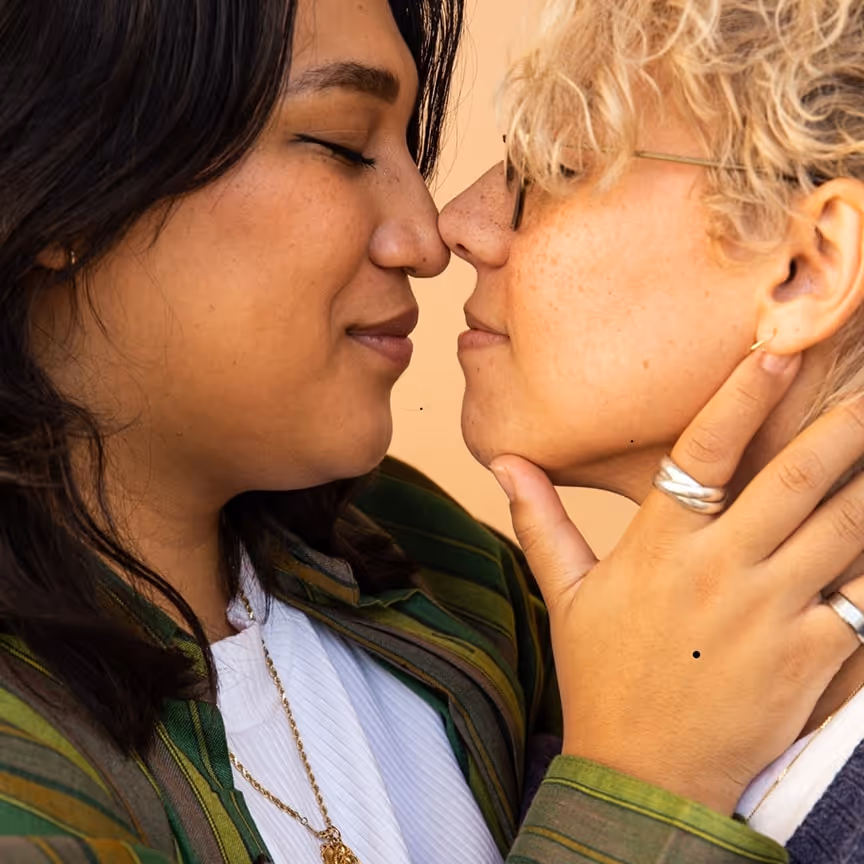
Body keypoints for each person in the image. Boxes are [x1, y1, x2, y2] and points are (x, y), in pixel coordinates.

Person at [1, 1, 863, 863]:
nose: (436, 232)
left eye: (559, 162)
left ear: (805, 267)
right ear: (62, 178)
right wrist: (633, 791)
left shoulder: (456, 581)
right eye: (343, 142)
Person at [439, 0, 864, 861]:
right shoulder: (528, 726)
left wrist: (622, 802)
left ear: (803, 270)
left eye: (556, 164)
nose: (464, 221)